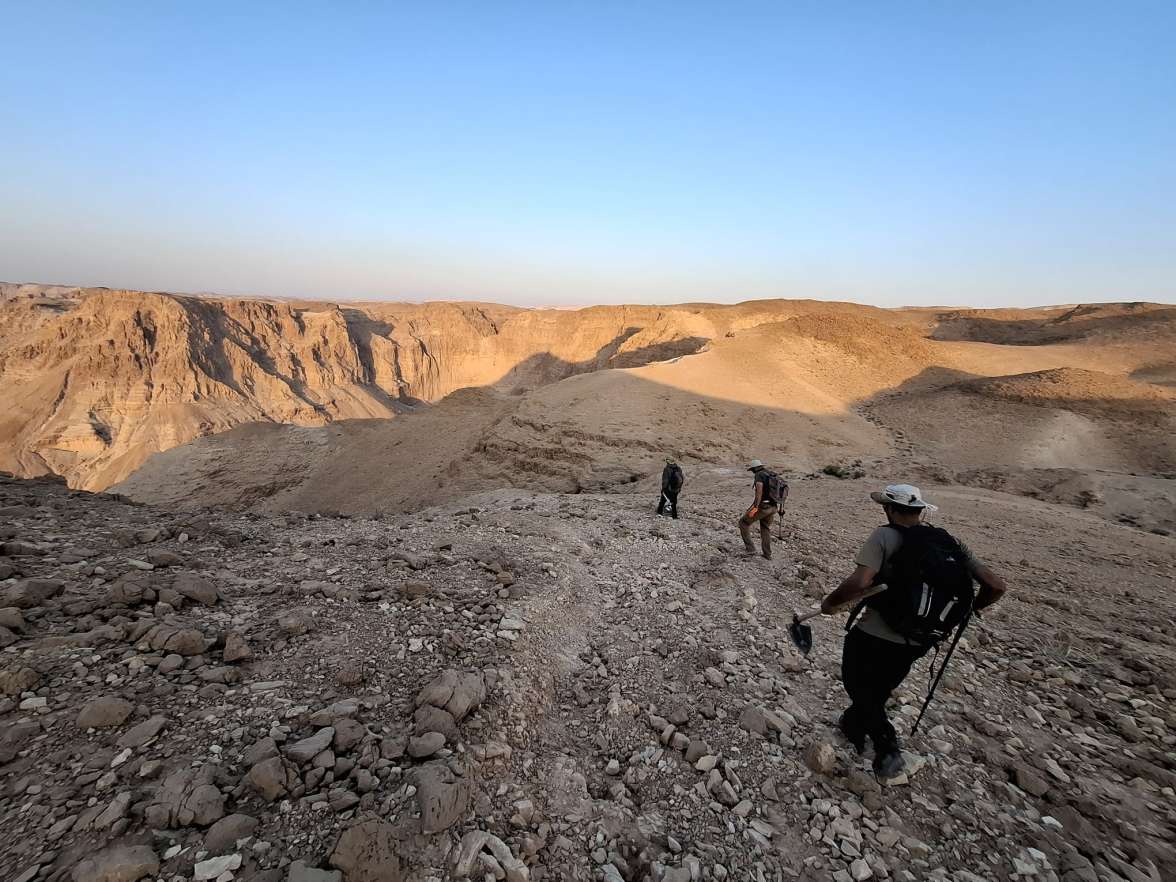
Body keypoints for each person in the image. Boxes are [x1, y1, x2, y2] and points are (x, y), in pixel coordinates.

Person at [820, 484, 1007, 778]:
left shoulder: (883, 536)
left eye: (886, 507)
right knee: (879, 689)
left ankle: (887, 745)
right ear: (920, 511)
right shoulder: (950, 543)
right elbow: (996, 586)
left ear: (890, 509)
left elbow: (859, 583)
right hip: (921, 639)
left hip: (875, 632)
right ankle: (853, 725)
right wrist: (968, 612)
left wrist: (830, 603)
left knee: (857, 684)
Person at [738, 459, 779, 560]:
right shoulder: (771, 474)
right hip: (773, 507)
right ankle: (767, 554)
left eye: (752, 469)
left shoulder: (759, 475)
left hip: (764, 507)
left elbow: (759, 492)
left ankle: (750, 549)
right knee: (765, 527)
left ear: (755, 468)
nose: (752, 471)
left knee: (743, 523)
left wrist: (755, 508)